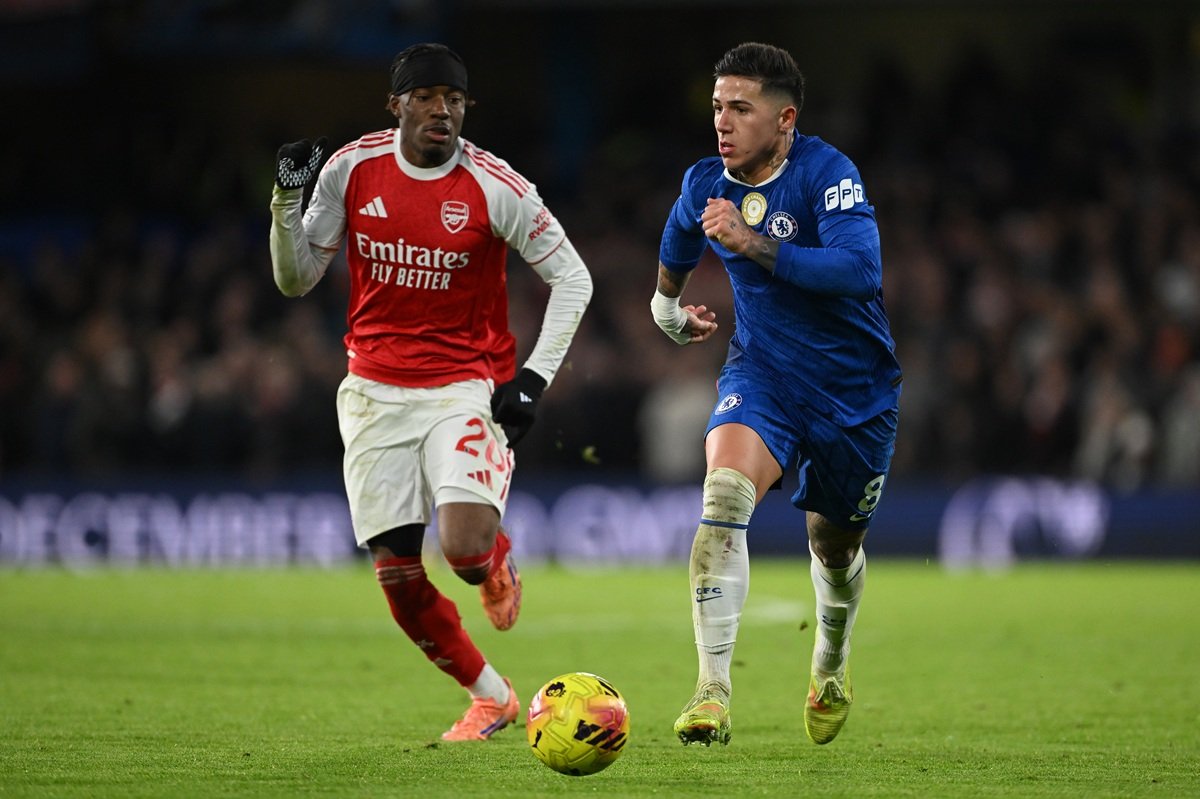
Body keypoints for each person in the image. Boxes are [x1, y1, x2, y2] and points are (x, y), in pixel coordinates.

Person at [268, 42, 593, 741]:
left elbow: (574, 278)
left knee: (465, 552)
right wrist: (286, 203)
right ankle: (492, 697)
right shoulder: (352, 169)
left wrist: (532, 380)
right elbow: (296, 279)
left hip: (461, 388)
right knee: (398, 575)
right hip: (372, 392)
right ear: (397, 105)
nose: (441, 109)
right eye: (425, 97)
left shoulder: (495, 185)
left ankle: (493, 557)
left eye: (453, 99)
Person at [650, 42, 901, 747]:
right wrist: (667, 309)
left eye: (740, 108)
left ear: (784, 118)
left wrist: (753, 242)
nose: (722, 122)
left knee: (833, 545)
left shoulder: (827, 173)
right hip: (762, 376)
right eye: (717, 107)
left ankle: (831, 660)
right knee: (723, 497)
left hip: (853, 393)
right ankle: (711, 690)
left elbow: (860, 270)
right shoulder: (707, 180)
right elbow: (679, 236)